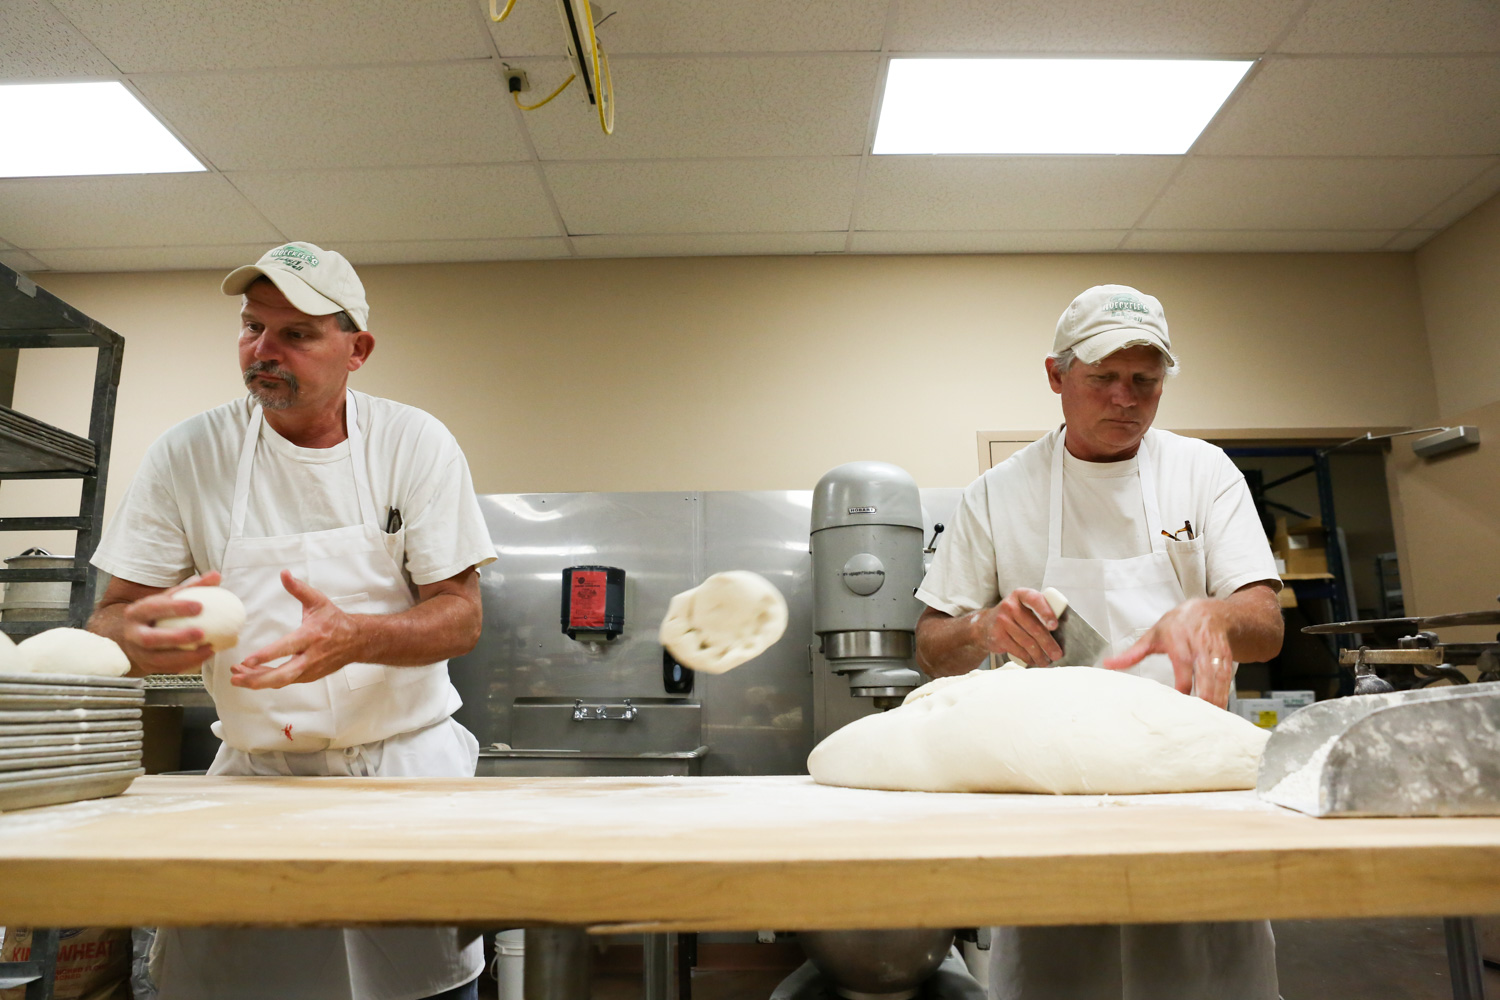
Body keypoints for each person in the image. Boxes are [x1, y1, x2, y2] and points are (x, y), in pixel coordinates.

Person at [88, 242, 493, 1000]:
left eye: (295, 334)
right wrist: (143, 640)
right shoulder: (188, 455)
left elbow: (461, 618)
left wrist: (359, 638)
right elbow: (108, 622)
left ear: (356, 349)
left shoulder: (413, 442)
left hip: (400, 778)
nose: (262, 351)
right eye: (251, 328)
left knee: (416, 984)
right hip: (254, 782)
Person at [913, 284, 1285, 1000]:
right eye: (1103, 379)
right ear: (1056, 377)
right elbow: (931, 645)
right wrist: (986, 627)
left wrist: (1214, 616)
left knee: (1206, 975)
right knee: (1063, 974)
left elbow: (1264, 625)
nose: (1126, 398)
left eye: (1145, 381)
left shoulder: (1203, 473)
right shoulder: (997, 493)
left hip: (1191, 792)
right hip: (1051, 793)